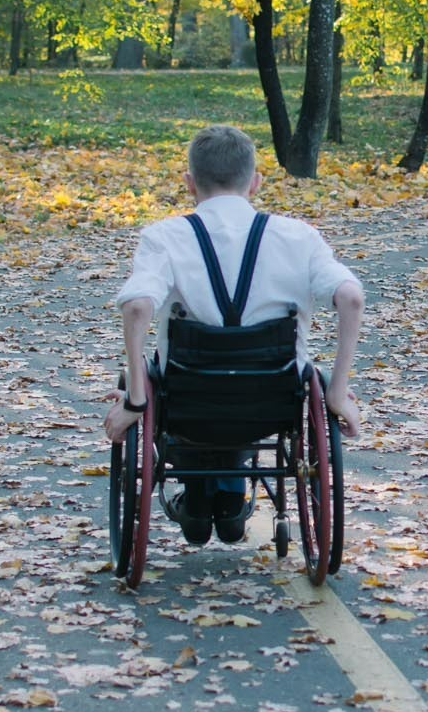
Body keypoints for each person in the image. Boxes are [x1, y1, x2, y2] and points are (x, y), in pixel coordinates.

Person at [105, 124, 364, 546]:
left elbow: (137, 306)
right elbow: (351, 298)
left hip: (188, 397)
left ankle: (204, 496)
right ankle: (228, 495)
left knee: (190, 383)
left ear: (189, 184)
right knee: (243, 384)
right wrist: (335, 392)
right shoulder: (299, 237)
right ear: (256, 183)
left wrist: (136, 399)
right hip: (272, 400)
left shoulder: (164, 237)